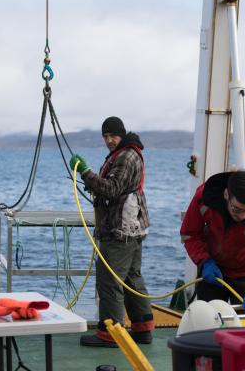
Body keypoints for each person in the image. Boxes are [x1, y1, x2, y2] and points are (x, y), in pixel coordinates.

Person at [70, 116, 154, 348]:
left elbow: (112, 188)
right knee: (131, 278)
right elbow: (116, 186)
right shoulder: (128, 153)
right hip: (133, 228)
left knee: (109, 281)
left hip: (120, 230)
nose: (109, 140)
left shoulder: (126, 157)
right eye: (105, 136)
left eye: (112, 135)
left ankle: (111, 335)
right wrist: (94, 181)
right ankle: (142, 328)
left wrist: (86, 172)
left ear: (122, 134)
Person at [180, 170, 245, 313]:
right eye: (236, 209)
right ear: (226, 195)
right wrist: (204, 262)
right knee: (209, 320)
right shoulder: (204, 198)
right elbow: (189, 234)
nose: (243, 216)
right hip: (213, 271)